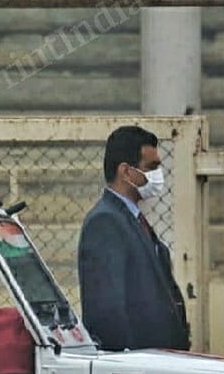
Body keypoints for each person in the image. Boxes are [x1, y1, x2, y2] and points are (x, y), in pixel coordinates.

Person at [77, 125, 190, 351]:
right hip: (137, 362)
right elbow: (106, 310)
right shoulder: (105, 223)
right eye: (151, 167)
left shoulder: (132, 218)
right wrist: (127, 361)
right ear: (126, 172)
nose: (158, 176)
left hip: (158, 358)